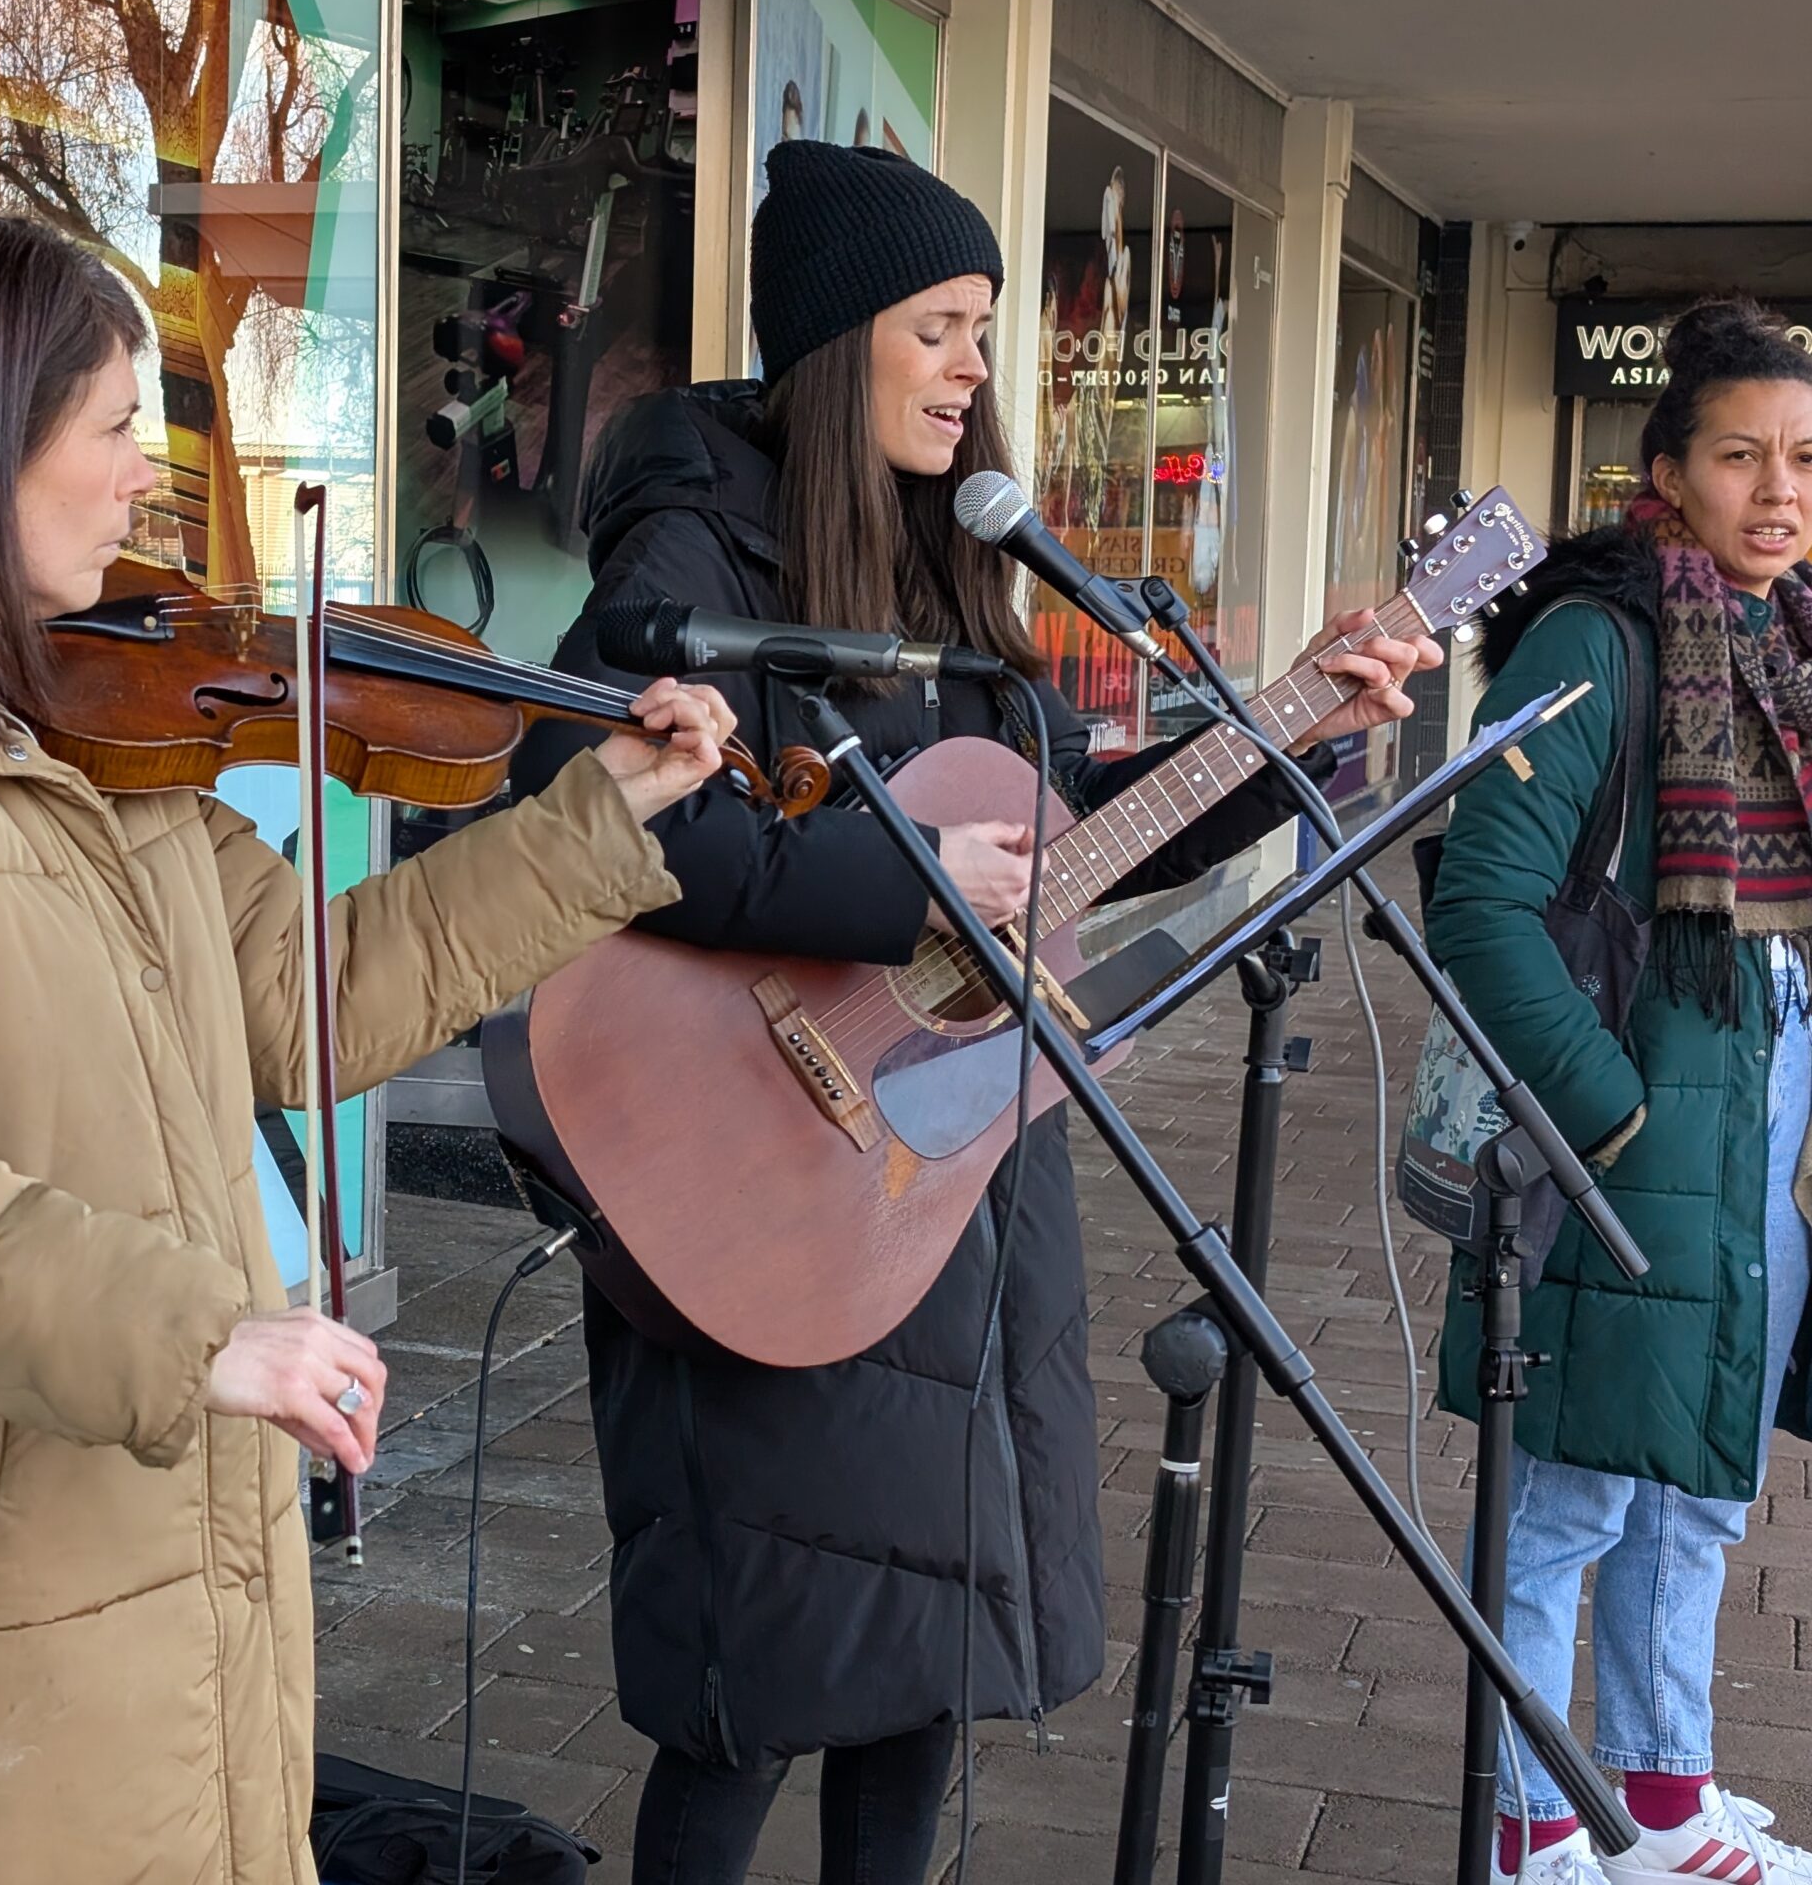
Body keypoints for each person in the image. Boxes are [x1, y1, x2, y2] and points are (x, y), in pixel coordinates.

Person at [0, 204, 737, 1885]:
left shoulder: (76, 725)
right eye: (120, 426)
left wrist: (595, 818)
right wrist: (194, 1327)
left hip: (177, 1607)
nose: (154, 481)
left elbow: (312, 988)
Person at [510, 139, 1438, 1885]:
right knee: (753, 1693)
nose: (973, 368)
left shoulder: (955, 557)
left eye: (986, 331)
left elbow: (1070, 836)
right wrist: (916, 877)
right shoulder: (692, 526)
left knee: (920, 1676)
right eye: (940, 325)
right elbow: (606, 811)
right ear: (837, 334)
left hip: (943, 1179)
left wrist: (1302, 722)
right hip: (769, 1178)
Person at [1430, 296, 1812, 1885]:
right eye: (1741, 455)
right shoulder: (1600, 638)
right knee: (1572, 1502)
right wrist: (1611, 1115)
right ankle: (1529, 1824)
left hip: (1763, 1126)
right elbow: (1478, 902)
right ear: (1666, 468)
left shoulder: (1789, 640)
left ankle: (1659, 1801)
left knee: (1700, 1486)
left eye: (1804, 459)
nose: (1779, 491)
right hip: (1632, 1132)